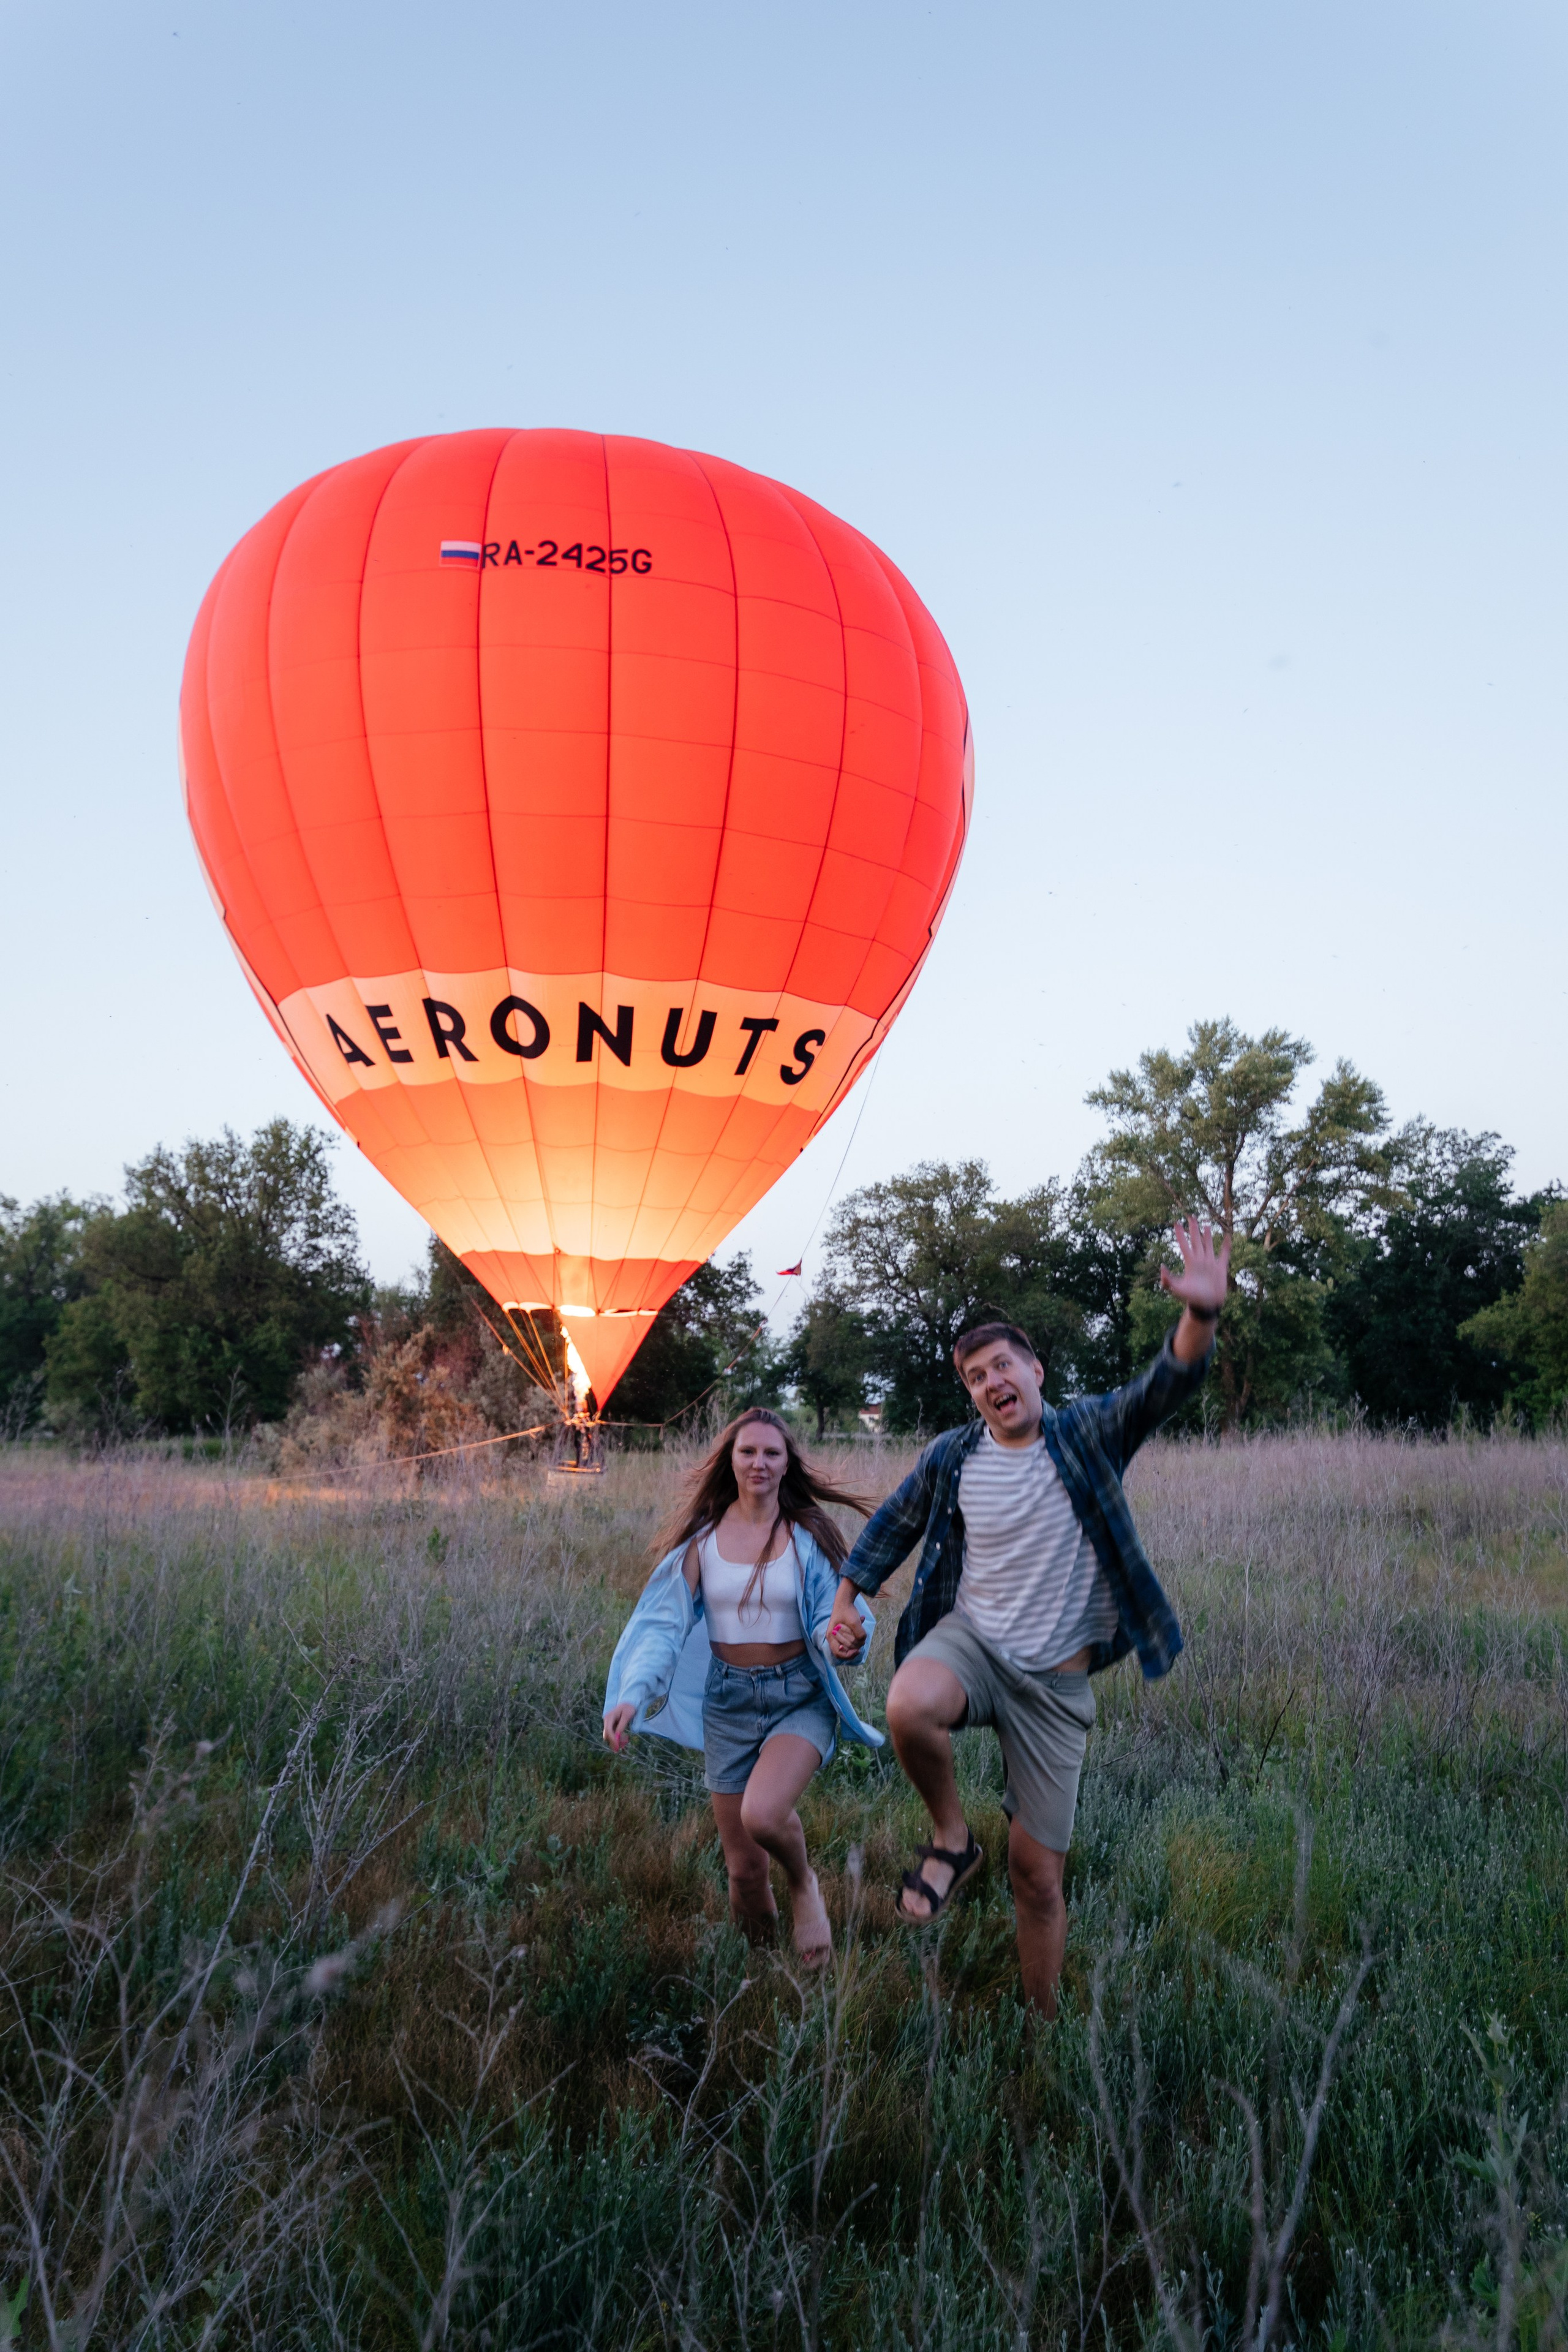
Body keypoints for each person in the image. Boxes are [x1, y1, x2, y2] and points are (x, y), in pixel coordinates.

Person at [824, 1216, 1229, 2016]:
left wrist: (1201, 1314)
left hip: (1054, 1686)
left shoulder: (1085, 1435)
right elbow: (892, 1527)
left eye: (1001, 1365)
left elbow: (1165, 1385)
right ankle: (951, 1837)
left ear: (1035, 1371)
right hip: (974, 1645)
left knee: (1037, 1879)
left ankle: (1041, 2024)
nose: (990, 1382)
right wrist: (847, 1600)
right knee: (907, 1702)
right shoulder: (953, 1455)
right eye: (975, 1376)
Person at [602, 1408, 881, 1966]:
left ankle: (804, 1885)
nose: (759, 1462)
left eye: (771, 1453)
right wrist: (634, 1690)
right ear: (730, 1460)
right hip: (727, 1703)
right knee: (745, 1871)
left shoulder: (807, 1537)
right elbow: (662, 1626)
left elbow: (842, 1613)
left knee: (763, 1813)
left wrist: (847, 1637)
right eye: (748, 1451)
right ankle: (761, 1974)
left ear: (786, 1464)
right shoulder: (700, 1543)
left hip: (798, 1696)